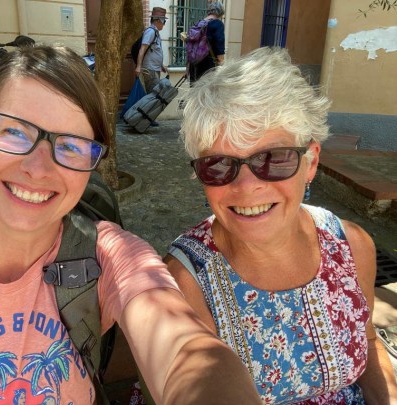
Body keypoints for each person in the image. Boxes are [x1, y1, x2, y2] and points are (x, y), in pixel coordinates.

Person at [0, 45, 261, 404]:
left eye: (70, 146)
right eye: (14, 131)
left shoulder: (109, 256)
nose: (37, 168)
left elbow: (182, 349)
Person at [166, 46, 397, 404]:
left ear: (311, 162)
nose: (246, 187)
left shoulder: (352, 245)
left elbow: (366, 343)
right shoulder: (186, 280)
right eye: (218, 165)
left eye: (273, 158)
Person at [187, 1, 225, 85]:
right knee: (206, 94)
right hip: (208, 67)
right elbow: (219, 48)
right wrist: (222, 67)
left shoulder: (199, 24)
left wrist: (187, 69)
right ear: (220, 11)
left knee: (194, 93)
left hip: (194, 67)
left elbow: (191, 47)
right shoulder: (217, 24)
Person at [135, 6, 168, 94]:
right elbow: (142, 49)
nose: (164, 23)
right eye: (164, 20)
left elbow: (153, 51)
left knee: (154, 96)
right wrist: (138, 66)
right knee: (153, 96)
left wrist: (161, 65)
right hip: (150, 70)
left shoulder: (156, 32)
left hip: (155, 69)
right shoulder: (151, 32)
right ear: (158, 20)